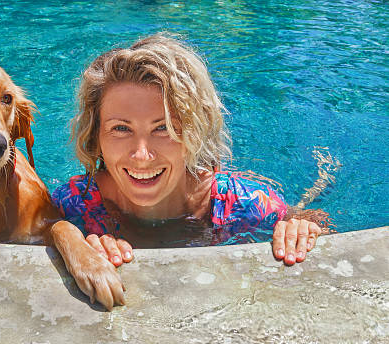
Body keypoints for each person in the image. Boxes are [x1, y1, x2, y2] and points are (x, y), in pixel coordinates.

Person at [49, 32, 326, 310]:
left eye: (164, 128)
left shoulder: (243, 205)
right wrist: (73, 240)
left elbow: (313, 222)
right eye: (121, 128)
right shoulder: (76, 203)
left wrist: (300, 228)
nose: (141, 155)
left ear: (194, 134)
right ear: (96, 137)